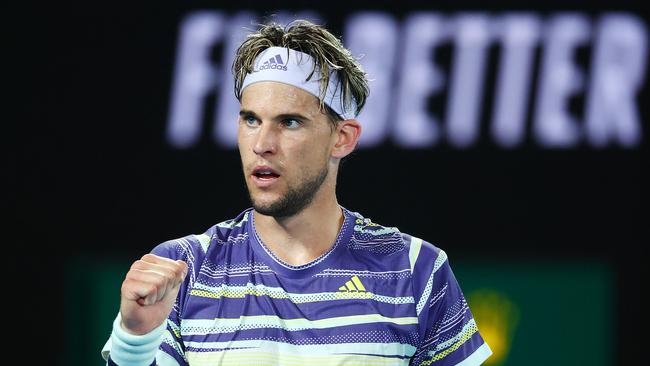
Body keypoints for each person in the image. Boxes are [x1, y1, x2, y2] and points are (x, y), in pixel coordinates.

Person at [101, 19, 492, 366]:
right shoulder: (183, 269)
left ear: (342, 138)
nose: (263, 143)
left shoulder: (414, 269)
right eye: (251, 120)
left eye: (289, 122)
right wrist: (136, 340)